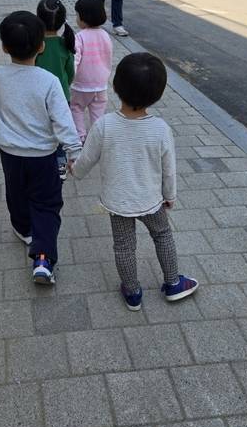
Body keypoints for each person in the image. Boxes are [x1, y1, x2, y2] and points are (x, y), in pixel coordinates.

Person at [71, 52, 198, 310]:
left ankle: (132, 293)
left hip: (117, 202)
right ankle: (173, 283)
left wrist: (76, 171)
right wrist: (170, 195)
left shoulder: (104, 125)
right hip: (151, 200)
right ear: (158, 93)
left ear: (116, 87)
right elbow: (169, 169)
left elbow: (86, 159)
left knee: (124, 247)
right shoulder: (160, 129)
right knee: (162, 235)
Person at [0, 11, 81, 284]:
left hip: (10, 154)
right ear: (41, 45)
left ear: (4, 47)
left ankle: (22, 228)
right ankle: (43, 258)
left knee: (16, 194)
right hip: (43, 156)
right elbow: (63, 122)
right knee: (46, 203)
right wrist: (75, 152)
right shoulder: (49, 82)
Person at [35, 0, 76, 179]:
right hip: (62, 96)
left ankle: (43, 158)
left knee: (42, 128)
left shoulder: (35, 45)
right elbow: (71, 73)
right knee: (60, 129)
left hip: (39, 97)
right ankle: (60, 163)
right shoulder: (65, 44)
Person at [70, 0, 113, 143]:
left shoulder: (79, 37)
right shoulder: (105, 35)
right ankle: (96, 139)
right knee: (98, 112)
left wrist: (70, 77)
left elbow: (75, 60)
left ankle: (80, 136)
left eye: (76, 15)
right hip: (100, 85)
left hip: (81, 85)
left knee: (76, 108)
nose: (76, 18)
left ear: (83, 18)